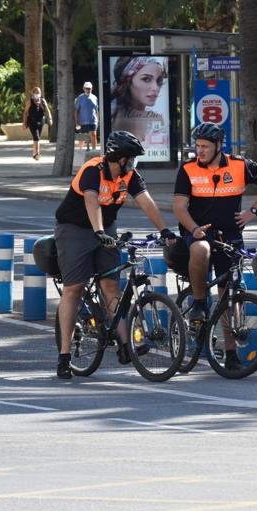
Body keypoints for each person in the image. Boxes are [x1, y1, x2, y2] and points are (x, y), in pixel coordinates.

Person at [53, 131, 176, 379]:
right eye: (130, 158)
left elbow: (146, 201)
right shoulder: (92, 170)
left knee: (110, 285)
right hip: (75, 229)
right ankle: (64, 356)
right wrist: (98, 231)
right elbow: (91, 202)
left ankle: (124, 343)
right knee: (74, 289)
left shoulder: (129, 175)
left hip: (105, 229)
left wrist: (163, 229)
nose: (133, 163)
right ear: (119, 158)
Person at [173, 122, 257, 371]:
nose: (199, 151)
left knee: (228, 295)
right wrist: (194, 229)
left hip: (229, 236)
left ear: (219, 146)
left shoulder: (240, 165)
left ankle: (230, 352)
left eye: (205, 147)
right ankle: (199, 303)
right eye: (197, 146)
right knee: (200, 249)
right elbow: (179, 208)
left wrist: (252, 211)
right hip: (198, 232)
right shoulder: (188, 169)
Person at [111, 56, 167, 148]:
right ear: (128, 81)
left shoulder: (113, 111)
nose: (155, 88)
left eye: (159, 80)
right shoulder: (154, 119)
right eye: (146, 79)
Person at [22, 86, 52, 161]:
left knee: (37, 138)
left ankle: (34, 152)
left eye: (38, 93)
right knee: (36, 137)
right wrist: (24, 122)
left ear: (40, 93)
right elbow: (25, 112)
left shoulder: (43, 101)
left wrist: (50, 119)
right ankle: (37, 153)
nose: (37, 94)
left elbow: (48, 111)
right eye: (35, 93)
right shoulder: (30, 101)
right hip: (31, 121)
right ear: (32, 94)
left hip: (41, 121)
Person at [74, 82, 99, 151]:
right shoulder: (80, 98)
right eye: (87, 88)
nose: (88, 90)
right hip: (82, 121)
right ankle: (81, 150)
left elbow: (96, 109)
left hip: (93, 120)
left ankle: (94, 151)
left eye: (89, 88)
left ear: (92, 88)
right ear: (83, 88)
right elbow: (76, 110)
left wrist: (98, 119)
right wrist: (76, 122)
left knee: (93, 135)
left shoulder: (94, 97)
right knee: (82, 137)